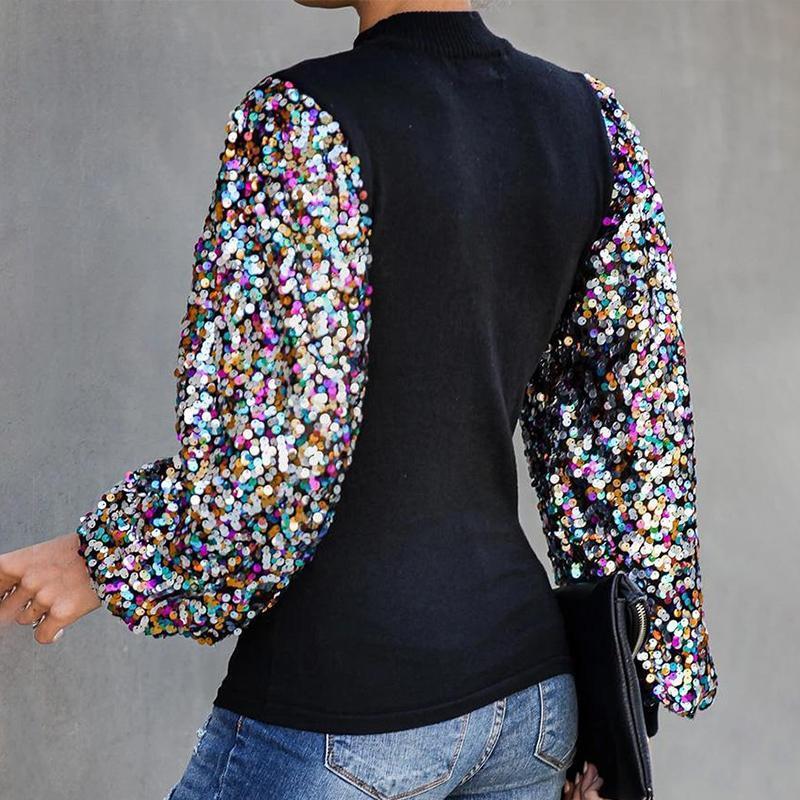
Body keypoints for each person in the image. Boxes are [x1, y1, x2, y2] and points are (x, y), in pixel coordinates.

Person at [0, 1, 719, 798]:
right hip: (532, 707)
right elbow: (636, 439)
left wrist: (105, 559)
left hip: (348, 708)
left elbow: (274, 459)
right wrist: (632, 685)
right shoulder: (590, 124)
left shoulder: (304, 119)